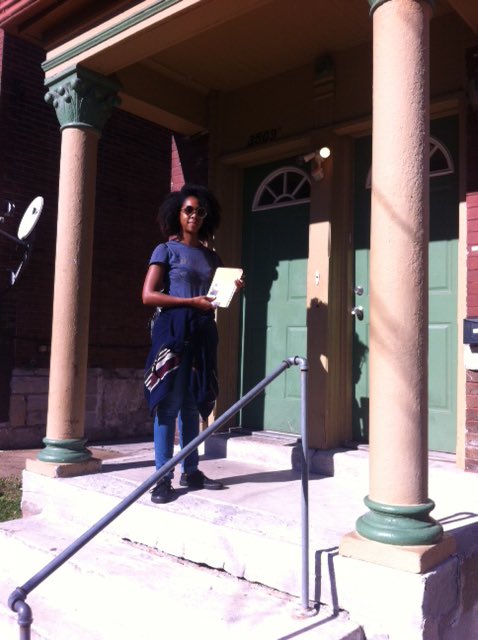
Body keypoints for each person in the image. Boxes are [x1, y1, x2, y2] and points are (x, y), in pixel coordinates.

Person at [142, 184, 242, 504]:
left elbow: (213, 298)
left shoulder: (212, 257)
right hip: (173, 330)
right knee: (168, 403)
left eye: (200, 211)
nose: (194, 216)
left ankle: (191, 470)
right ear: (177, 213)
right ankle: (162, 478)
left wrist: (229, 289)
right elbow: (148, 295)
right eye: (188, 210)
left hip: (201, 331)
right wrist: (190, 302)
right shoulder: (165, 250)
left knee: (192, 404)